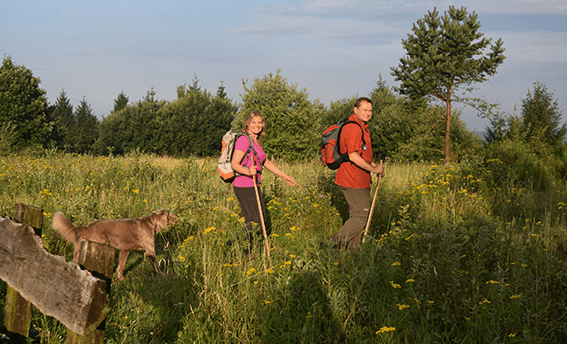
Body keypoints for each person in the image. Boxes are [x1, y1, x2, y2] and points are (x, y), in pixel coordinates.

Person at [231, 110, 297, 257]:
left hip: (253, 184)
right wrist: (249, 171)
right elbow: (234, 164)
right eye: (254, 122)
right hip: (244, 185)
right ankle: (232, 243)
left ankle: (246, 252)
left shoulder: (256, 142)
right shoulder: (244, 140)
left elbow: (265, 161)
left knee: (254, 221)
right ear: (247, 123)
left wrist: (284, 175)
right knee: (257, 222)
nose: (257, 125)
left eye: (260, 122)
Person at [330, 97, 384, 252]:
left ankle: (352, 253)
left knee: (356, 217)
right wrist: (373, 170)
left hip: (360, 178)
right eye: (364, 109)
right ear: (355, 110)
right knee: (361, 217)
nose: (368, 113)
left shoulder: (362, 127)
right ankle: (331, 244)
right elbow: (352, 155)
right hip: (352, 179)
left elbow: (362, 155)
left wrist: (374, 166)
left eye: (370, 110)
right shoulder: (353, 127)